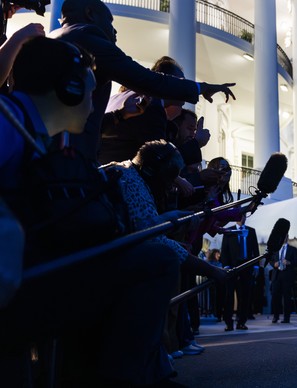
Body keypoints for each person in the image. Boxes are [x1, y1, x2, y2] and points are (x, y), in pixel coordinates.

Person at [0, 37, 182, 387]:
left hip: (38, 273)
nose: (94, 101)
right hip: (24, 283)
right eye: (89, 89)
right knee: (156, 262)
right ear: (67, 89)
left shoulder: (45, 138)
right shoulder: (8, 124)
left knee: (141, 258)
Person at [49, 0, 236, 160]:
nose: (114, 31)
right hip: (67, 159)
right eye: (110, 21)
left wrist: (120, 115)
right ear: (90, 13)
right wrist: (201, 88)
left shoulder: (55, 38)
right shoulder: (88, 37)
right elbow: (148, 80)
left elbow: (86, 121)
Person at [220, 214, 260, 331]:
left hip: (246, 267)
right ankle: (228, 323)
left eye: (242, 216)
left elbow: (255, 249)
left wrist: (256, 266)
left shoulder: (251, 231)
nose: (240, 218)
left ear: (245, 217)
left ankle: (241, 322)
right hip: (232, 268)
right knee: (229, 296)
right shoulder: (229, 231)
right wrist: (226, 266)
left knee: (245, 296)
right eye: (238, 215)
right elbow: (224, 250)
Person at [270, 234, 297, 323]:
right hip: (276, 275)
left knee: (286, 298)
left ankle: (286, 318)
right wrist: (274, 264)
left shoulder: (292, 249)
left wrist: (289, 262)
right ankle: (275, 316)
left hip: (287, 275)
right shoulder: (275, 249)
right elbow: (270, 260)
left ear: (287, 237)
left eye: (285, 236)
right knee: (275, 297)